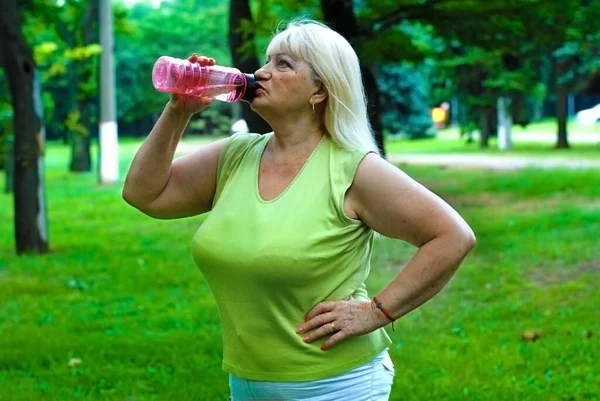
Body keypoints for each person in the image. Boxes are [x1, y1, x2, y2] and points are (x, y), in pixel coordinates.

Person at [122, 18, 476, 401]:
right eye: (266, 61)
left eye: (283, 64)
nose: (261, 73)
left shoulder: (352, 169)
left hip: (336, 385)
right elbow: (144, 194)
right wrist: (178, 112)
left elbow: (452, 236)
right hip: (247, 383)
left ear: (319, 90)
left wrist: (376, 312)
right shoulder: (235, 156)